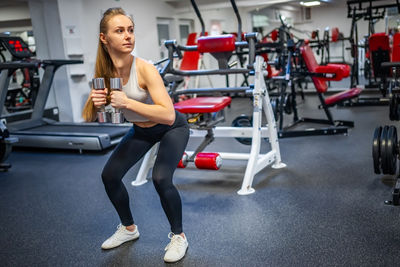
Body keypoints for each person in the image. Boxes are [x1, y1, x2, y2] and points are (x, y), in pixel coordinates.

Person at [82, 7, 190, 263]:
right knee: (109, 176)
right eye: (119, 31)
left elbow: (168, 115)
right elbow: (92, 117)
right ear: (104, 38)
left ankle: (179, 237)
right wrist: (93, 102)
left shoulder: (145, 69)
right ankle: (129, 228)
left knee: (161, 178)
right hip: (141, 130)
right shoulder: (103, 71)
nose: (128, 36)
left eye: (130, 30)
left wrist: (128, 103)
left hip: (171, 128)